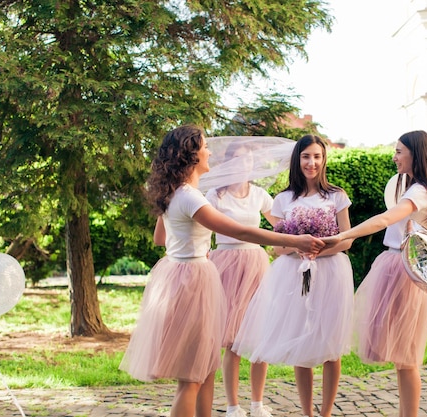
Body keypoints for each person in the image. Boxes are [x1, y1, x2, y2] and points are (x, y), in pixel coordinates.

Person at [119, 125, 325, 417]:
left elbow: (159, 239)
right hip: (192, 280)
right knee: (192, 377)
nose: (210, 152)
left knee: (203, 372)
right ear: (190, 155)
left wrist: (186, 243)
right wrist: (294, 240)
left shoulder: (179, 193)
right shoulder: (192, 197)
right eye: (204, 147)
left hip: (185, 274)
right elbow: (241, 231)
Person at [322, 130, 427, 417]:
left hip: (404, 274)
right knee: (403, 358)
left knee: (408, 356)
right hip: (396, 268)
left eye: (399, 151)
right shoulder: (412, 186)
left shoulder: (419, 191)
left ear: (416, 154)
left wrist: (344, 236)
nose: (394, 157)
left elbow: (387, 219)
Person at [232, 135, 354, 417]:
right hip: (294, 274)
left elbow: (346, 239)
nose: (312, 163)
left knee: (330, 343)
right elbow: (276, 247)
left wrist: (317, 252)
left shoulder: (336, 196)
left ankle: (325, 413)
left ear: (324, 160)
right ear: (297, 160)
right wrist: (299, 249)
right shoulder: (283, 199)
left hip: (331, 272)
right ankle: (307, 413)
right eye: (306, 157)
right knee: (304, 340)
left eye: (317, 157)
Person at [204, 141, 278, 417]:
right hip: (226, 264)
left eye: (247, 160)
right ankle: (233, 405)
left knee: (259, 336)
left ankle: (258, 404)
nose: (242, 165)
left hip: (256, 265)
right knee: (232, 340)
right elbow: (201, 230)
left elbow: (280, 226)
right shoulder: (215, 195)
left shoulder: (259, 195)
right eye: (236, 159)